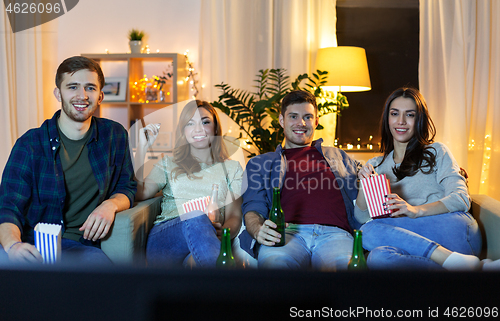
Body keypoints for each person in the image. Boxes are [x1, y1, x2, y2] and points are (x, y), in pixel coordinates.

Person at [0, 56, 137, 264]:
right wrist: (13, 245)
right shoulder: (30, 144)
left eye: (90, 88)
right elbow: (8, 207)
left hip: (80, 246)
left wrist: (111, 205)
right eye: (72, 87)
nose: (82, 96)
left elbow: (127, 186)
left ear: (100, 96)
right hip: (32, 243)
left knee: (104, 275)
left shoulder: (115, 135)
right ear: (58, 93)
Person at [354, 86, 499, 270]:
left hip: (453, 229)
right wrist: (363, 185)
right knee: (378, 257)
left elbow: (461, 198)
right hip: (412, 244)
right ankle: (469, 269)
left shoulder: (437, 151)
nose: (401, 121)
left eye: (410, 115)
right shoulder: (376, 165)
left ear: (419, 119)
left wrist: (415, 210)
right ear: (387, 119)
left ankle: (459, 263)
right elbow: (361, 216)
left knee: (368, 232)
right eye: (395, 113)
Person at [239, 90, 361, 271]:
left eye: (308, 117)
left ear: (316, 122)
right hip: (286, 234)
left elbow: (368, 191)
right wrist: (258, 230)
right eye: (293, 116)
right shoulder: (260, 163)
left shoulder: (339, 156)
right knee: (276, 268)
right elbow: (253, 208)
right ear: (282, 120)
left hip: (336, 235)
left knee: (344, 273)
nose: (301, 123)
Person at [134, 100, 243, 268]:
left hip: (207, 240)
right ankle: (231, 287)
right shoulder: (169, 163)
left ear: (215, 128)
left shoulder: (232, 168)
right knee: (196, 215)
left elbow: (234, 215)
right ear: (183, 131)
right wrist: (142, 148)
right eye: (190, 123)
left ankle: (221, 287)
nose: (198, 129)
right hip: (166, 241)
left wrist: (225, 232)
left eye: (205, 122)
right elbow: (139, 192)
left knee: (195, 263)